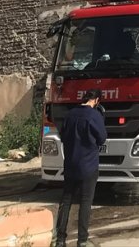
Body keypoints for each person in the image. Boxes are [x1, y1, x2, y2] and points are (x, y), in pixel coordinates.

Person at [52, 89, 107, 247]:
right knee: (85, 202)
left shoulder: (70, 114)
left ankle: (60, 239)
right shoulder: (94, 116)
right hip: (88, 165)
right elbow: (102, 138)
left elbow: (62, 135)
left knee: (66, 200)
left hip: (70, 164)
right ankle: (82, 240)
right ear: (96, 100)